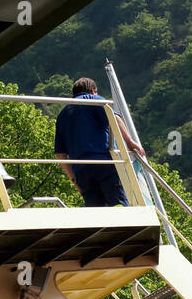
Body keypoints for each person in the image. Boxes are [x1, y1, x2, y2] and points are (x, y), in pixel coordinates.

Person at [54, 76, 145, 207]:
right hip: (104, 163)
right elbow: (114, 118)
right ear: (92, 91)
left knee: (97, 214)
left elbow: (60, 154)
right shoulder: (92, 100)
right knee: (118, 206)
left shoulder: (62, 115)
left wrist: (74, 180)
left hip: (81, 171)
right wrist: (130, 142)